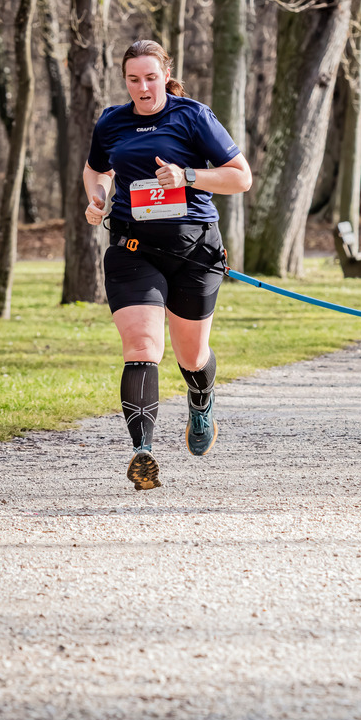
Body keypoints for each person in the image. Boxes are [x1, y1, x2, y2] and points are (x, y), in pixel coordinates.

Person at [83, 39, 252, 491]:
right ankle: (143, 453)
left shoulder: (192, 116)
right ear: (125, 81)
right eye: (134, 80)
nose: (143, 87)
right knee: (141, 345)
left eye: (151, 77)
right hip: (132, 249)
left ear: (165, 75)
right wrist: (97, 198)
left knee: (191, 356)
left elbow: (241, 176)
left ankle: (201, 402)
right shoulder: (111, 122)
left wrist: (188, 176)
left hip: (194, 252)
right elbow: (96, 169)